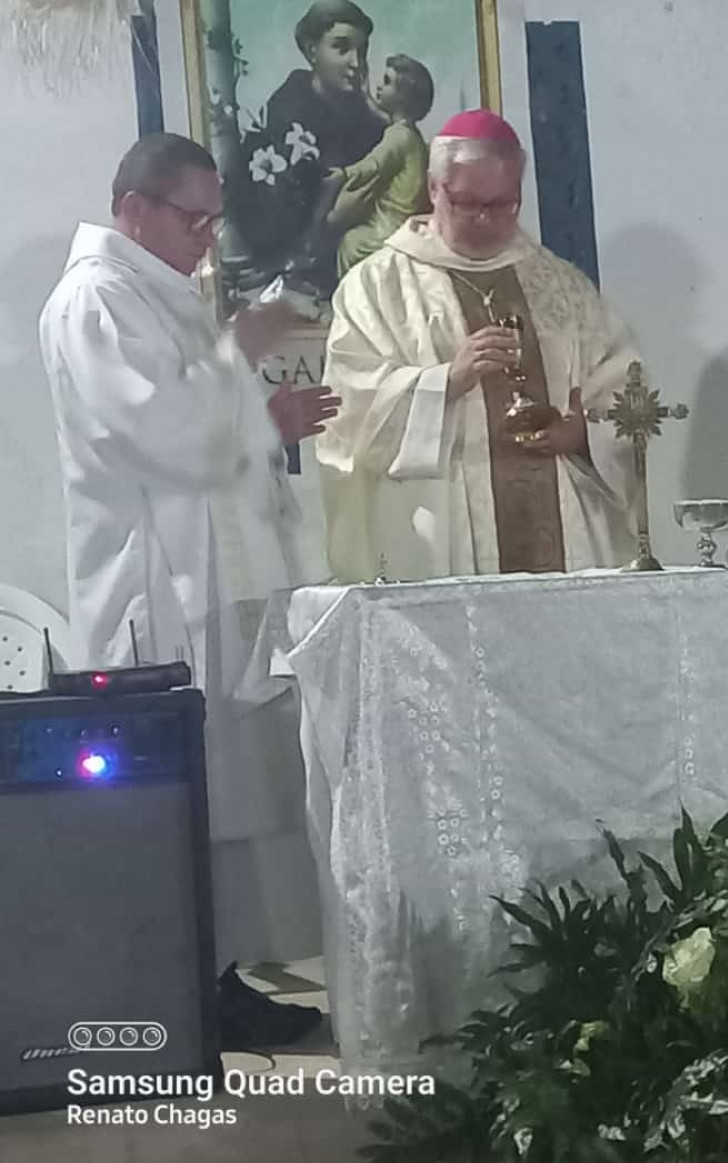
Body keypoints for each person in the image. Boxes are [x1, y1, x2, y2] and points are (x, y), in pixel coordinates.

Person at [39, 132, 340, 1048]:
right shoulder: (96, 297)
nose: (207, 240)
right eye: (192, 219)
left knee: (225, 794)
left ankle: (221, 975)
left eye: (215, 221)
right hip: (157, 588)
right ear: (134, 208)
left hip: (209, 578)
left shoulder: (156, 293)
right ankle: (179, 992)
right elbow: (155, 433)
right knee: (176, 800)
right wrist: (252, 388)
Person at [318, 109, 640, 582]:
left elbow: (625, 390)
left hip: (566, 525)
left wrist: (582, 435)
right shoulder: (378, 285)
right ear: (434, 189)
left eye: (504, 204)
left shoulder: (562, 284)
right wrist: (445, 381)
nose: (487, 220)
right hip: (440, 529)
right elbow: (351, 408)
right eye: (468, 204)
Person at [236, 0, 386, 296]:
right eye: (342, 48)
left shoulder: (369, 121)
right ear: (311, 50)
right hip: (294, 282)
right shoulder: (283, 116)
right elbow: (270, 223)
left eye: (362, 50)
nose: (356, 63)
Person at [327, 54, 434, 277]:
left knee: (351, 243)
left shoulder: (398, 137)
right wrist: (365, 96)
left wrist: (343, 174)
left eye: (386, 82)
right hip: (402, 223)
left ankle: (353, 294)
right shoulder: (408, 133)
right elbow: (380, 114)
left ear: (402, 97)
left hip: (391, 227)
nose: (379, 86)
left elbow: (373, 165)